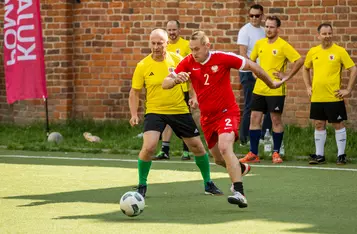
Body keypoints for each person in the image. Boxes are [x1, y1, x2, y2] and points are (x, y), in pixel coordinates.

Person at [162, 31, 284, 208]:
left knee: (225, 146)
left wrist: (271, 84)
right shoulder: (188, 61)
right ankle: (241, 169)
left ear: (207, 46)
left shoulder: (223, 58)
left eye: (197, 49)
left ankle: (239, 192)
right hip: (207, 118)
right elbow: (165, 83)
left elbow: (252, 66)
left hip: (227, 112)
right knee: (219, 159)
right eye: (191, 49)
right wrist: (175, 80)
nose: (194, 53)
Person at [128, 29, 223, 198]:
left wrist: (193, 96)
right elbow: (135, 92)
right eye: (153, 43)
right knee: (149, 147)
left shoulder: (177, 60)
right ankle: (142, 185)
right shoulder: (143, 65)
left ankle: (208, 183)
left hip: (179, 110)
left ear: (167, 43)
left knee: (198, 147)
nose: (156, 47)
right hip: (155, 111)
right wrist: (134, 114)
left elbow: (192, 78)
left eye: (160, 43)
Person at [239, 15, 304, 164]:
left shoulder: (283, 45)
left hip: (275, 88)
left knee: (275, 120)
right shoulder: (260, 43)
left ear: (277, 29)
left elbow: (299, 60)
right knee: (254, 119)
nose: (268, 29)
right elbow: (251, 60)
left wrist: (286, 76)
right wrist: (255, 73)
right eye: (267, 26)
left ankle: (276, 152)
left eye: (272, 27)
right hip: (259, 88)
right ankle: (253, 153)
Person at [302, 23, 357, 165]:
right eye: (324, 34)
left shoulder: (339, 51)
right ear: (318, 35)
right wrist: (308, 86)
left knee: (338, 124)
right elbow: (305, 68)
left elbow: (353, 69)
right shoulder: (313, 51)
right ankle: (320, 156)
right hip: (317, 97)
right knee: (319, 124)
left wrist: (348, 89)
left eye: (329, 33)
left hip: (334, 96)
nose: (327, 36)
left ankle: (341, 155)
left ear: (332, 34)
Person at [154, 20, 192, 161]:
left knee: (184, 119)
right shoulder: (163, 45)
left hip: (182, 88)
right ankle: (165, 150)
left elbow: (190, 66)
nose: (171, 32)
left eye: (174, 30)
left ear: (179, 30)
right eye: (169, 30)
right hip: (167, 87)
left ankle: (186, 151)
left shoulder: (186, 45)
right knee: (167, 118)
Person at [237, 4, 272, 146]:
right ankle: (244, 140)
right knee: (250, 106)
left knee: (268, 105)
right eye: (251, 15)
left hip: (261, 73)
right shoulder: (245, 30)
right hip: (248, 73)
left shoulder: (264, 30)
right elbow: (243, 54)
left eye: (257, 16)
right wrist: (253, 71)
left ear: (262, 16)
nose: (253, 18)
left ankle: (264, 136)